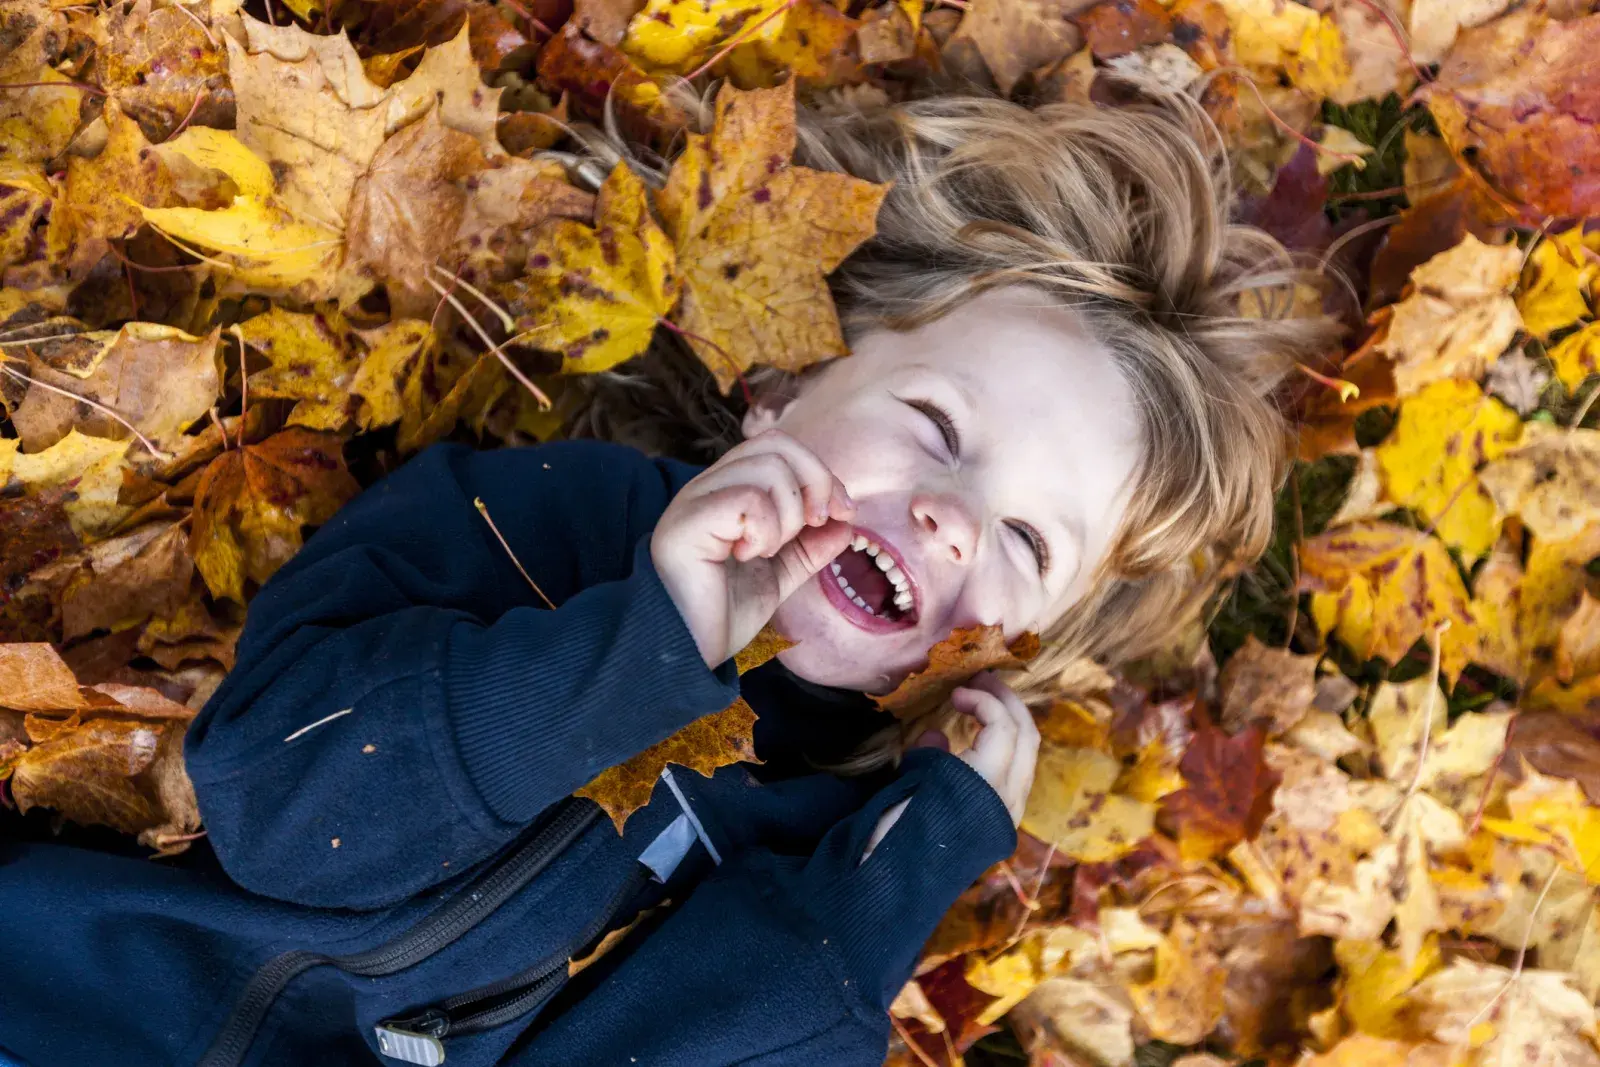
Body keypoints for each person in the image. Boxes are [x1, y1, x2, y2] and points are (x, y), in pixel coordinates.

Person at [0, 91, 1333, 1066]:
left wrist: (893, 885)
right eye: (936, 429)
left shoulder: (840, 849)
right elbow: (276, 807)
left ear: (1029, 638)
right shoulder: (537, 523)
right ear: (784, 388)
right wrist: (641, 644)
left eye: (1028, 542)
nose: (947, 517)